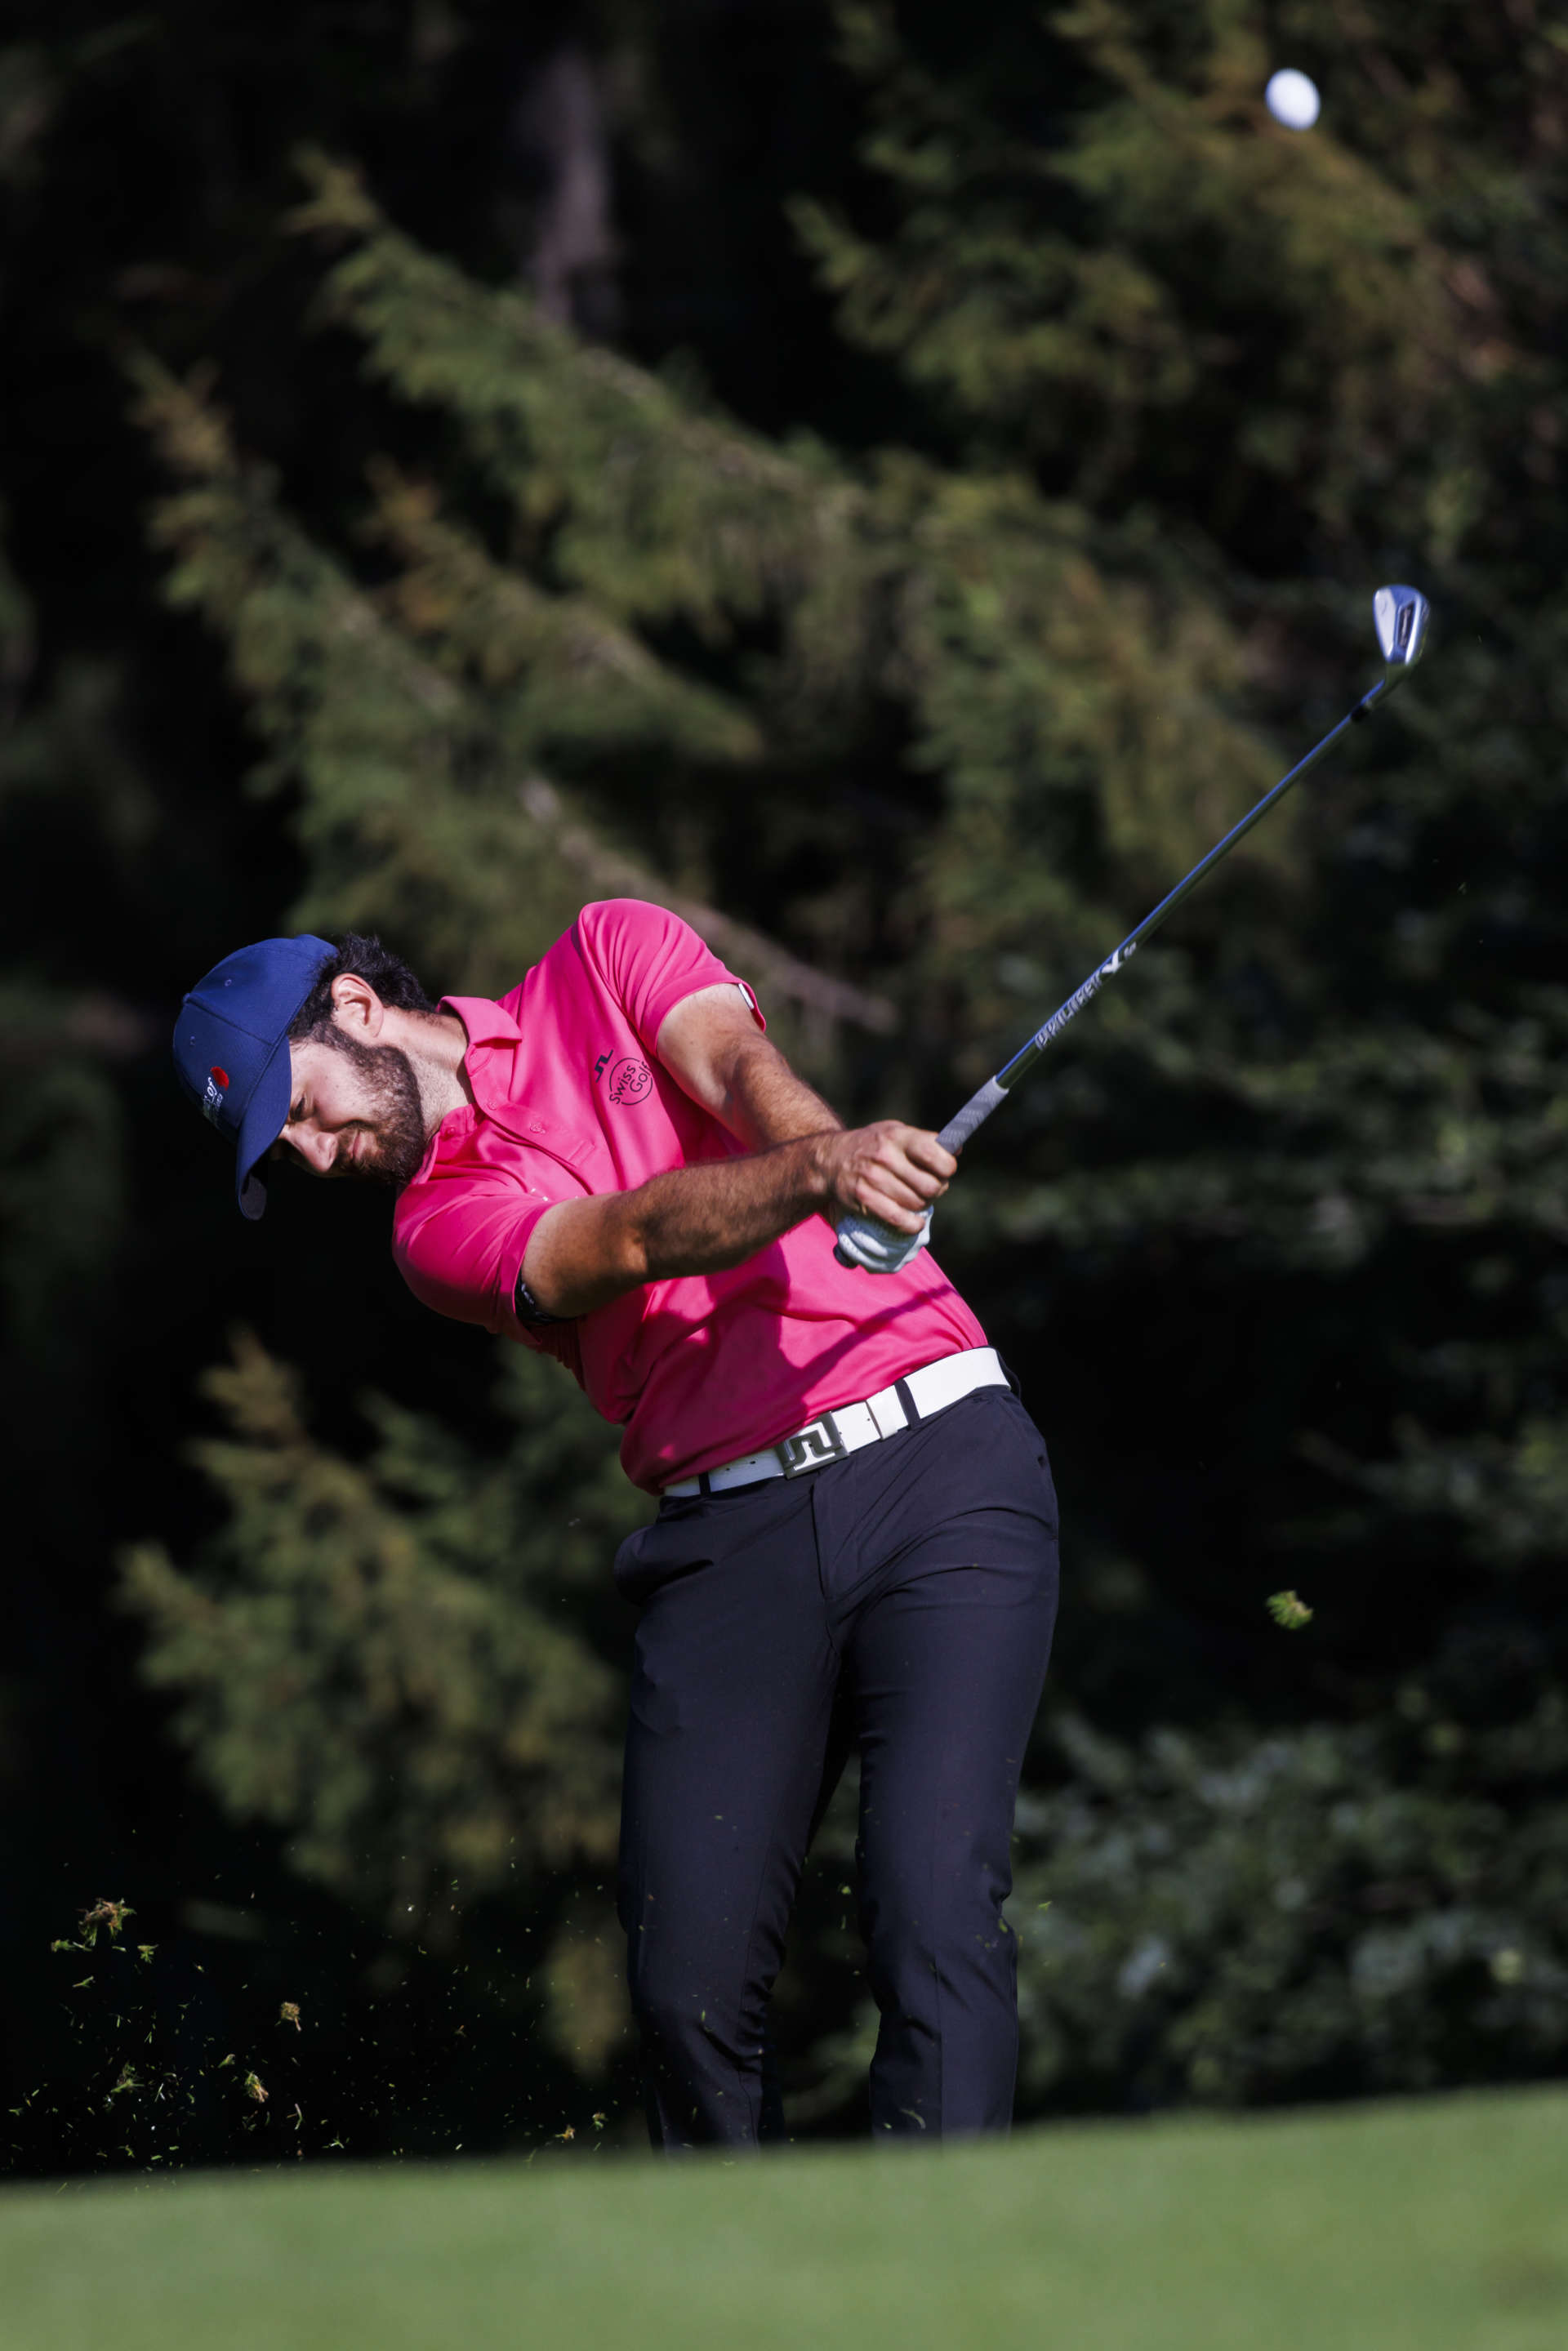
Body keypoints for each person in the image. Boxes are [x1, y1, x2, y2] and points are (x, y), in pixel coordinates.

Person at [173, 898, 1059, 2147]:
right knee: (687, 1989)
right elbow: (628, 1238)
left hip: (938, 1459)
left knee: (932, 1906)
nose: (316, 1157)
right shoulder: (433, 1233)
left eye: (303, 1109)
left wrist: (834, 1157)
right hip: (728, 1541)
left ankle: (952, 2261)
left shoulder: (605, 950)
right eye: (284, 1152)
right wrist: (824, 1171)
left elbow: (736, 1068)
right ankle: (744, 2268)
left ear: (357, 1009)